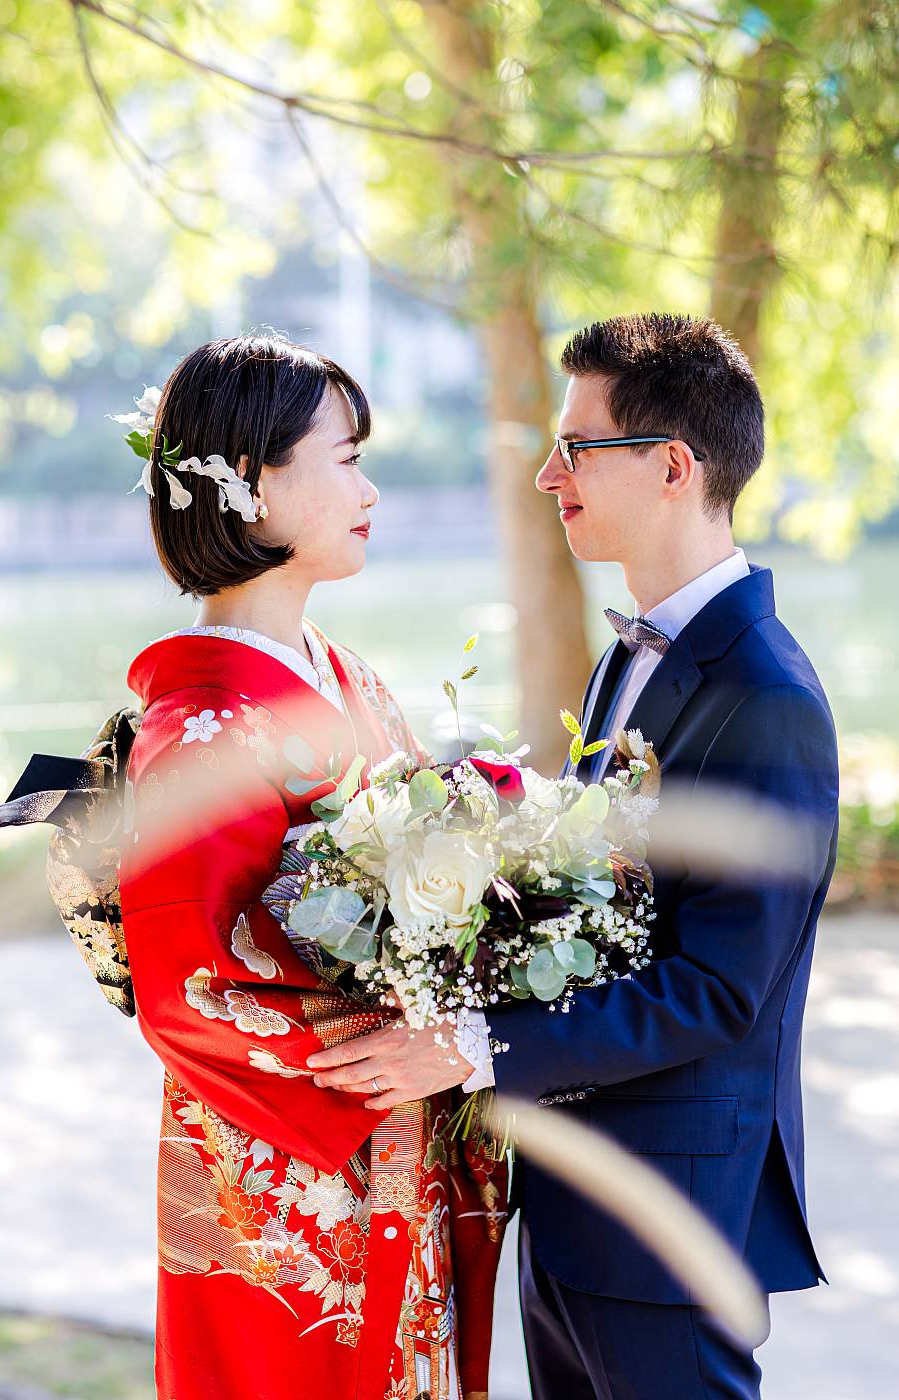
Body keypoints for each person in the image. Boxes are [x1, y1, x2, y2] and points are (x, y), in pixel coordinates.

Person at [310, 313, 839, 1399]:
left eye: (576, 447)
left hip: (669, 1212)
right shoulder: (622, 665)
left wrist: (468, 1042)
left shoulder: (767, 696)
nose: (549, 476)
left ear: (672, 466)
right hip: (572, 1196)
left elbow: (718, 986)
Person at [116, 334, 506, 1400]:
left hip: (388, 1149)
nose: (370, 488)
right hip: (285, 1190)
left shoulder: (346, 680)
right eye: (345, 459)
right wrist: (397, 1049)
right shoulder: (201, 726)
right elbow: (191, 987)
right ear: (249, 482)